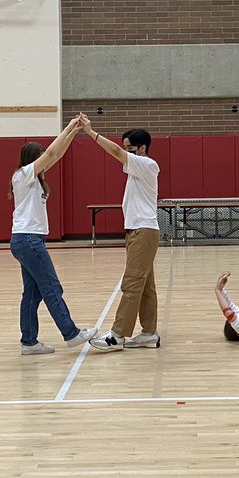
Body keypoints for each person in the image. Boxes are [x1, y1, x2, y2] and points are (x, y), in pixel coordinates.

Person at [8, 115, 99, 354]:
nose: (45, 161)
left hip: (25, 240)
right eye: (39, 158)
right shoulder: (23, 175)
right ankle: (71, 333)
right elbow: (50, 154)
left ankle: (28, 342)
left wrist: (74, 132)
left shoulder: (33, 178)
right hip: (28, 239)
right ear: (32, 159)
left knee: (33, 292)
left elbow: (56, 155)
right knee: (51, 287)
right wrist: (69, 125)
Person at [83, 117, 162, 353]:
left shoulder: (147, 164)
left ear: (142, 149)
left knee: (132, 284)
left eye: (130, 149)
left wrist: (90, 132)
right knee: (145, 286)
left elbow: (116, 152)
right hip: (138, 231)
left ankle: (117, 335)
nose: (126, 154)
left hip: (143, 230)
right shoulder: (137, 169)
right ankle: (148, 333)